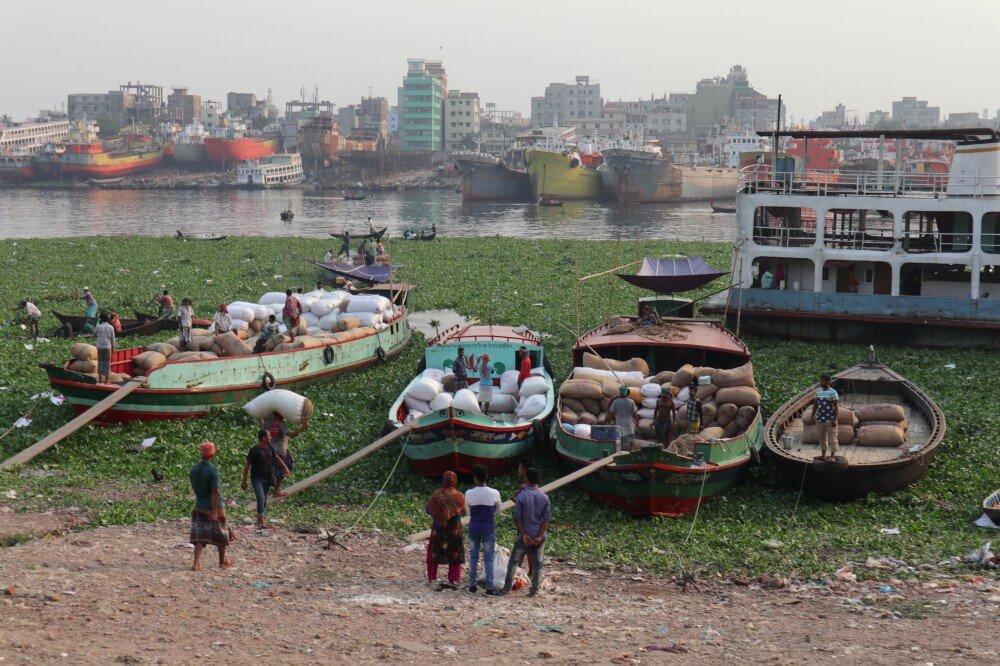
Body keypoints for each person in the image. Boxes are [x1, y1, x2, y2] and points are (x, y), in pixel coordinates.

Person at [498, 468, 549, 598]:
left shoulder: (521, 496)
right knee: (538, 563)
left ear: (527, 479)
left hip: (524, 536)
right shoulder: (544, 497)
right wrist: (538, 536)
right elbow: (546, 520)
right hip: (539, 535)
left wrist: (524, 534)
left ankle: (506, 588)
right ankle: (534, 590)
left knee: (514, 561)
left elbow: (517, 518)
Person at [189, 441, 233, 571]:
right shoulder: (213, 471)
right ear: (213, 454)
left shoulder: (194, 469)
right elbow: (216, 492)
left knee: (199, 537)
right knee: (222, 535)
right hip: (215, 508)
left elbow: (194, 487)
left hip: (199, 505)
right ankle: (222, 561)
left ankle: (196, 563)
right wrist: (214, 512)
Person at [425, 471, 466, 590]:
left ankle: (431, 577)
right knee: (455, 552)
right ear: (455, 481)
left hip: (439, 527)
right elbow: (463, 511)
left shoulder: (437, 494)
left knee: (433, 551)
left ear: (443, 480)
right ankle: (453, 578)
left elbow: (428, 509)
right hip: (454, 528)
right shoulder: (459, 496)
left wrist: (441, 514)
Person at [241, 429, 289, 530]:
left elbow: (277, 458)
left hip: (267, 478)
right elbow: (247, 466)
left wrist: (285, 467)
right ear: (263, 438)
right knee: (260, 497)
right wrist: (244, 481)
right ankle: (261, 523)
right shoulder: (254, 450)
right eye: (269, 436)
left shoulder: (270, 447)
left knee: (264, 501)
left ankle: (260, 519)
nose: (271, 437)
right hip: (256, 478)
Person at [465, 464, 502, 595]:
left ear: (475, 478)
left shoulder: (469, 493)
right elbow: (498, 510)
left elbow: (467, 510)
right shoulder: (494, 492)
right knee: (489, 558)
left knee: (473, 557)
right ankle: (489, 587)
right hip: (488, 527)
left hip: (474, 527)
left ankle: (472, 586)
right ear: (487, 476)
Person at [259, 411, 307, 497]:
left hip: (269, 451)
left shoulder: (268, 422)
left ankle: (270, 480)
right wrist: (301, 428)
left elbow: (262, 427)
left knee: (272, 468)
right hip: (281, 452)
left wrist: (260, 418)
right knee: (283, 470)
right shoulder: (280, 424)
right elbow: (292, 435)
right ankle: (276, 490)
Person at [813, 373, 840, 461]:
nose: (821, 382)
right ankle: (823, 455)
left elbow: (836, 407)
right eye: (820, 380)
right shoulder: (818, 392)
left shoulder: (833, 392)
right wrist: (812, 416)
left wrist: (834, 419)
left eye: (823, 381)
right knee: (822, 438)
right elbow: (815, 405)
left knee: (832, 438)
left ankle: (832, 456)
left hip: (830, 419)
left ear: (828, 382)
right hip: (820, 419)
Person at [609, 386, 638, 451]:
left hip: (619, 424)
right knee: (631, 439)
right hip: (629, 424)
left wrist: (610, 422)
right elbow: (635, 414)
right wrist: (637, 422)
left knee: (618, 440)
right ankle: (632, 451)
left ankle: (618, 452)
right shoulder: (631, 401)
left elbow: (611, 413)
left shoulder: (615, 402)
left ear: (620, 392)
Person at [94, 313, 115, 384]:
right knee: (107, 362)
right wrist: (113, 347)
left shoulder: (98, 327)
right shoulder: (111, 327)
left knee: (100, 361)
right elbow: (113, 339)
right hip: (107, 347)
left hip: (99, 347)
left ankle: (100, 379)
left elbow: (94, 332)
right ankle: (106, 380)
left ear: (101, 319)